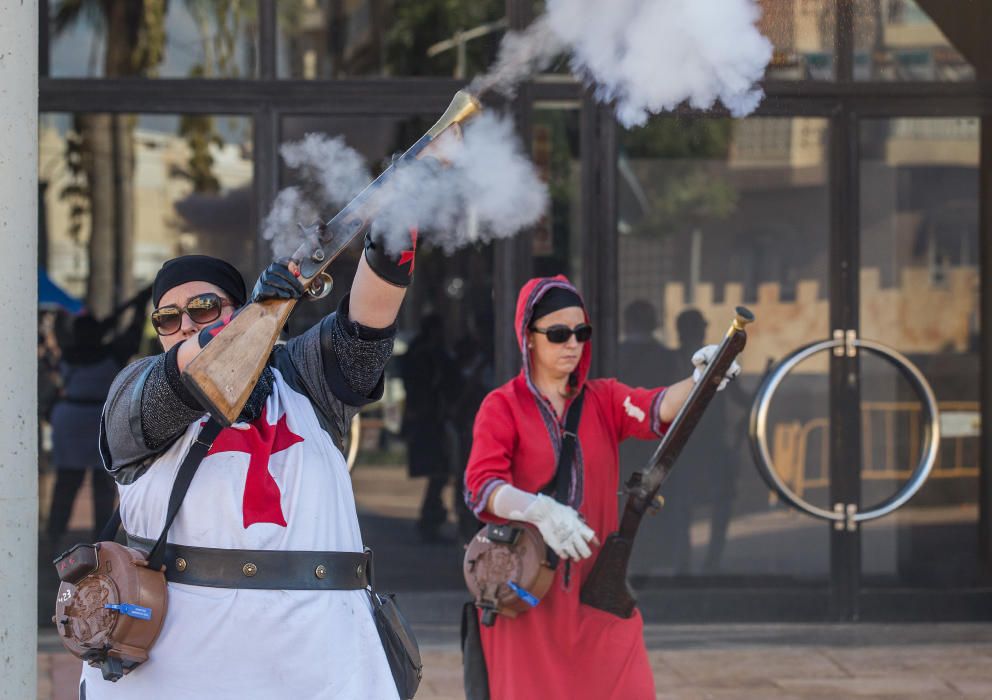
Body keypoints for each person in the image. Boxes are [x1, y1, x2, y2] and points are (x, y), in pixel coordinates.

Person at [81, 226, 417, 699]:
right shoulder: (136, 390)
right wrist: (246, 322)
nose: (186, 325)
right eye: (167, 318)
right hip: (178, 669)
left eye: (203, 308)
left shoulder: (302, 378)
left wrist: (393, 241)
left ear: (235, 309)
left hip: (320, 661)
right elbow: (187, 378)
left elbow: (366, 331)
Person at [462, 276, 740, 700]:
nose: (572, 343)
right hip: (529, 593)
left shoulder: (604, 398)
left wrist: (703, 379)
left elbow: (655, 406)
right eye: (557, 334)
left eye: (580, 332)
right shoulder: (503, 405)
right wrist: (539, 509)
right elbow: (481, 487)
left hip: (598, 590)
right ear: (529, 338)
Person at [46, 287, 151, 546]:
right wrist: (138, 307)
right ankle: (101, 539)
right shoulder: (112, 353)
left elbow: (89, 332)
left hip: (70, 418)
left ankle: (53, 536)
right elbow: (132, 335)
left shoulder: (69, 350)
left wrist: (117, 315)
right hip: (99, 419)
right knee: (103, 486)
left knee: (66, 483)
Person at [400, 312, 455, 542]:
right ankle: (430, 519)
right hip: (427, 420)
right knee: (438, 471)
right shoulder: (425, 353)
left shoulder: (419, 351)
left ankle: (432, 517)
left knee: (439, 473)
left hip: (427, 419)